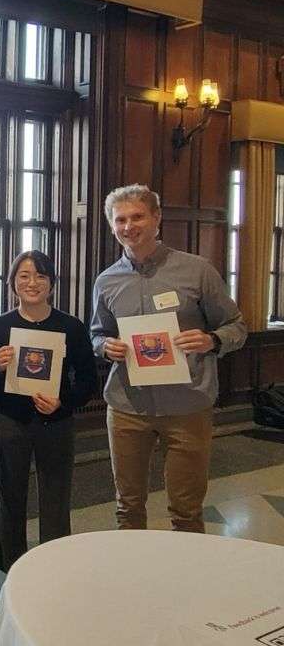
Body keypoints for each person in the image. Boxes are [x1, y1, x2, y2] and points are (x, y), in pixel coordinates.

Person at [91, 184, 246, 532]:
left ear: (157, 218)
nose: (129, 226)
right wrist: (104, 346)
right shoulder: (106, 282)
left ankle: (185, 583)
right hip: (127, 406)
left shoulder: (197, 271)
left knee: (187, 510)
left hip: (187, 405)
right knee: (128, 507)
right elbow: (97, 332)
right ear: (112, 226)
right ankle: (135, 582)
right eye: (120, 219)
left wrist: (211, 340)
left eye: (137, 216)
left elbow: (237, 326)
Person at [0, 250, 98, 572]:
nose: (32, 283)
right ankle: (11, 565)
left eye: (41, 276)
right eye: (24, 276)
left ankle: (54, 564)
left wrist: (63, 402)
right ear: (12, 283)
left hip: (56, 421)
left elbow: (88, 381)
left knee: (56, 494)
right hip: (9, 420)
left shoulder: (70, 326)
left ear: (52, 284)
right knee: (10, 493)